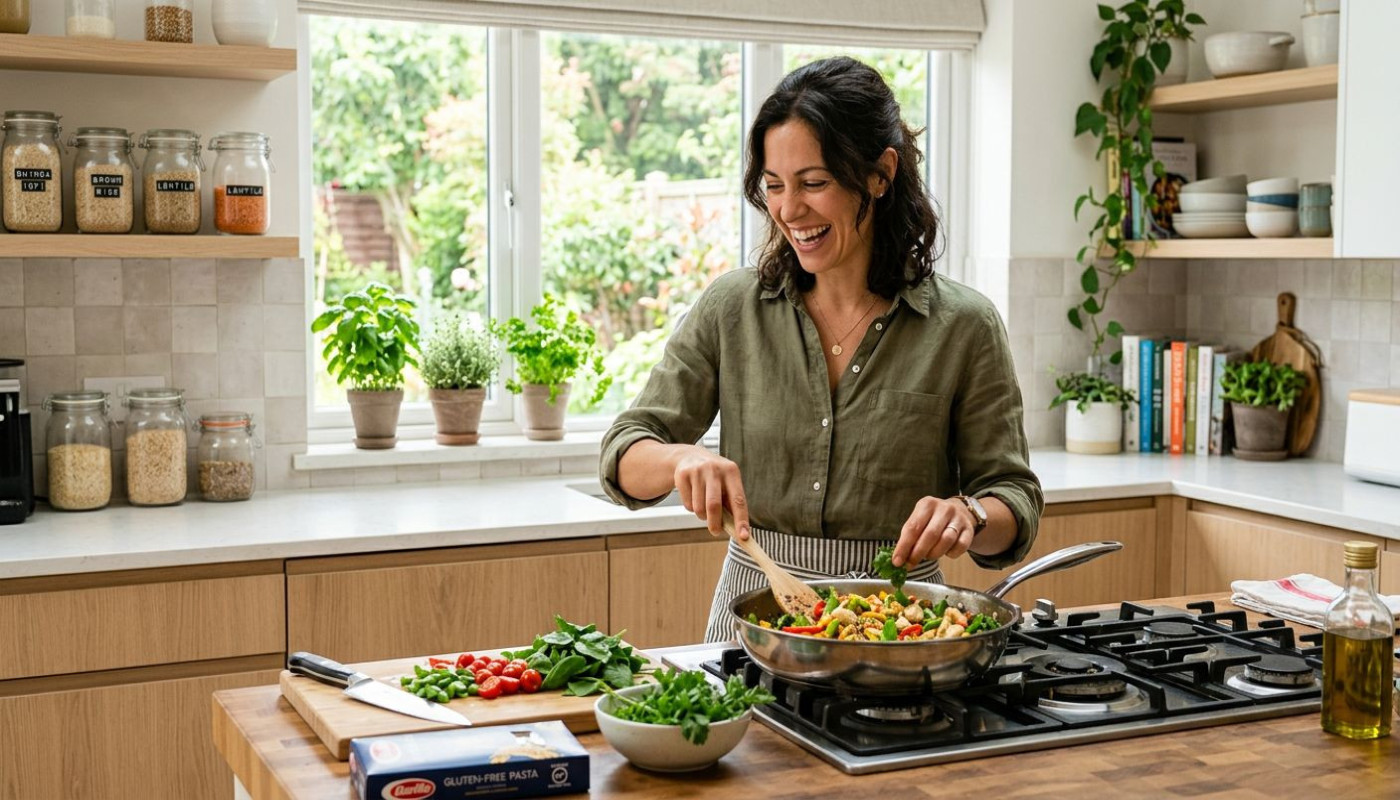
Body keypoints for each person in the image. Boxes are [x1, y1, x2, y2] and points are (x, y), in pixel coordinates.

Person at [600, 56, 1043, 643]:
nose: (789, 210)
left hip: (902, 633)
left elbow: (1014, 500)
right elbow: (625, 452)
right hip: (756, 626)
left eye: (814, 183)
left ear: (880, 175)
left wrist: (970, 514)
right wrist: (682, 460)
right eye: (774, 186)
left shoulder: (964, 325)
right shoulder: (733, 308)